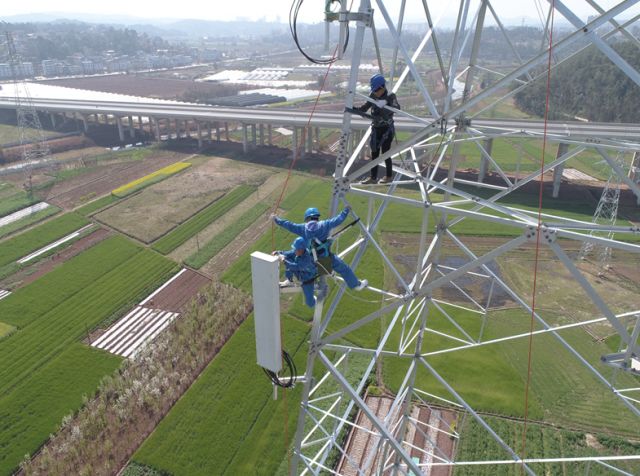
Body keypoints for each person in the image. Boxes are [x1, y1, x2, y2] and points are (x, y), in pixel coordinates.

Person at [273, 207, 368, 291]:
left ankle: (289, 279)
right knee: (344, 269)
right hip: (324, 263)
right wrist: (345, 211)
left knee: (291, 255)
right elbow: (338, 220)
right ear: (317, 217)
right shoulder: (325, 224)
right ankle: (356, 285)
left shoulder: (302, 228)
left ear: (307, 218)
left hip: (309, 263)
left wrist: (276, 219)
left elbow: (288, 225)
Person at [358, 73, 400, 185]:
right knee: (374, 153)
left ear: (382, 87)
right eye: (374, 90)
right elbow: (365, 107)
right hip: (377, 128)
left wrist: (385, 107)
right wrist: (355, 109)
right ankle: (373, 177)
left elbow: (397, 108)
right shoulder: (373, 95)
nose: (376, 92)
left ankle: (389, 176)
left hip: (387, 128)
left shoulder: (390, 96)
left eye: (377, 90)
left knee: (385, 152)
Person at [273, 237, 319, 308]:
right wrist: (278, 253)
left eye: (296, 249)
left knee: (310, 304)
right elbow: (286, 253)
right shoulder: (296, 252)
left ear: (301, 250)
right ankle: (289, 280)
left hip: (307, 279)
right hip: (299, 273)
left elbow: (296, 267)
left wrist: (284, 260)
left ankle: (314, 301)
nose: (295, 251)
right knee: (287, 258)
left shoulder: (307, 259)